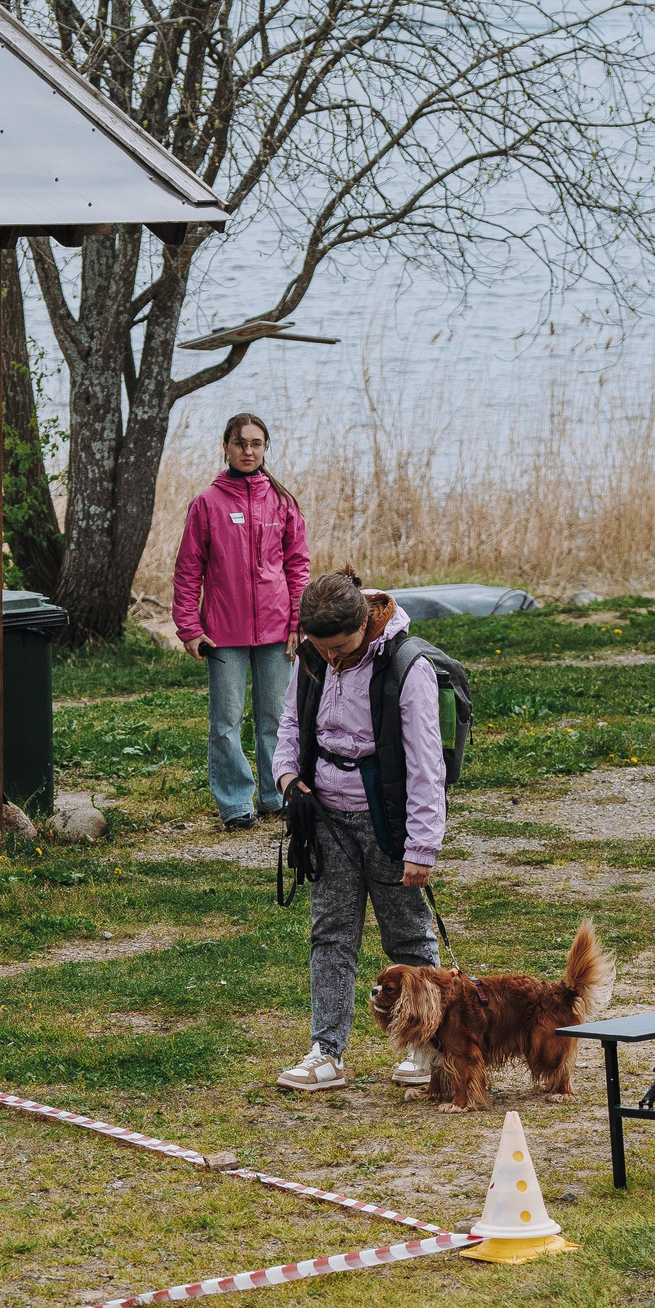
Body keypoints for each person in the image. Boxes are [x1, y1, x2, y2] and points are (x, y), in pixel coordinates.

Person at [267, 568, 444, 1093]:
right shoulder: (313, 655)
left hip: (388, 821)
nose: (332, 658)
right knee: (331, 933)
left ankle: (427, 1046)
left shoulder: (408, 667)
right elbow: (290, 724)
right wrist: (287, 776)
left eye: (341, 647)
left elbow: (426, 763)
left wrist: (421, 846)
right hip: (326, 817)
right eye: (321, 649)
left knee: (407, 935)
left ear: (365, 624)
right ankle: (326, 1052)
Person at [171, 413, 311, 832]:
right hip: (223, 633)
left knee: (277, 719)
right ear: (226, 447)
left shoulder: (282, 502)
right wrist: (190, 628)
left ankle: (275, 794)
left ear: (265, 448)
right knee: (225, 723)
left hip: (277, 630)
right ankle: (235, 804)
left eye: (256, 443)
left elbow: (298, 566)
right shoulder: (207, 503)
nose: (248, 451)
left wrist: (298, 621)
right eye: (240, 443)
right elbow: (188, 570)